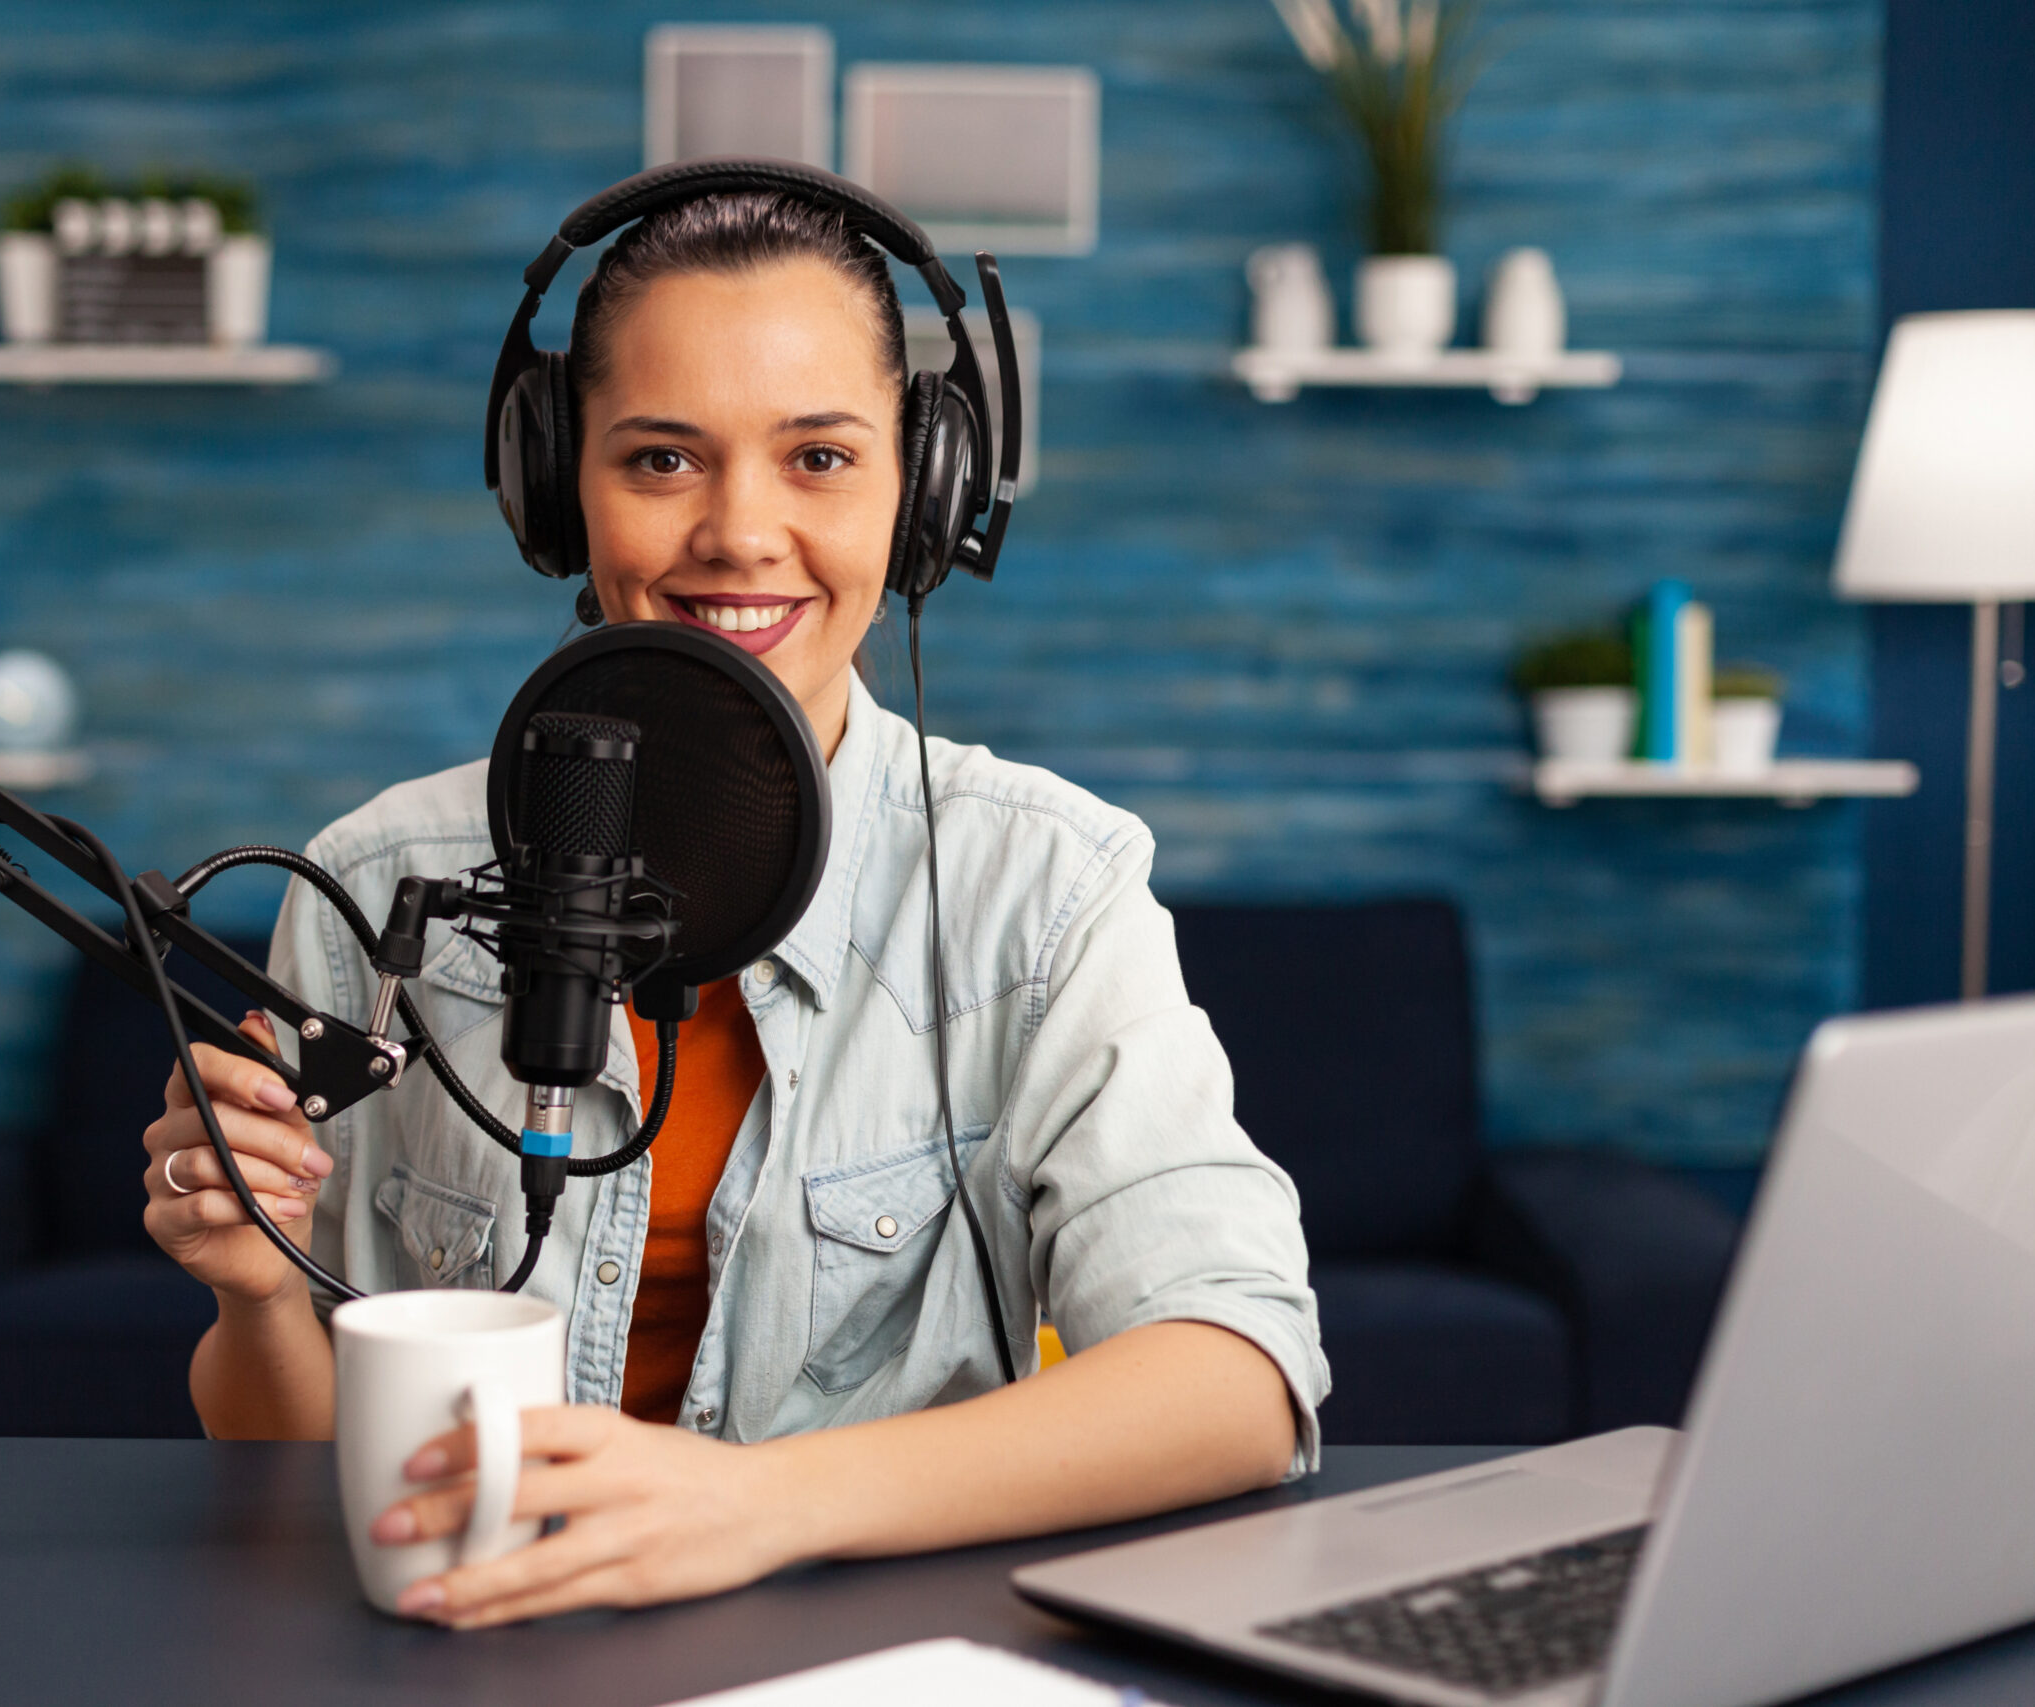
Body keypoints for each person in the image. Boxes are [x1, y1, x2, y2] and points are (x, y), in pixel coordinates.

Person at [140, 181, 1326, 1629]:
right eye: (661, 460)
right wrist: (251, 1292)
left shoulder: (1049, 885)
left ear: (929, 495)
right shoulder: (375, 880)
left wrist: (755, 1509)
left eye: (820, 456)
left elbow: (1239, 1377)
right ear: (554, 489)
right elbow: (292, 1459)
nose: (741, 533)